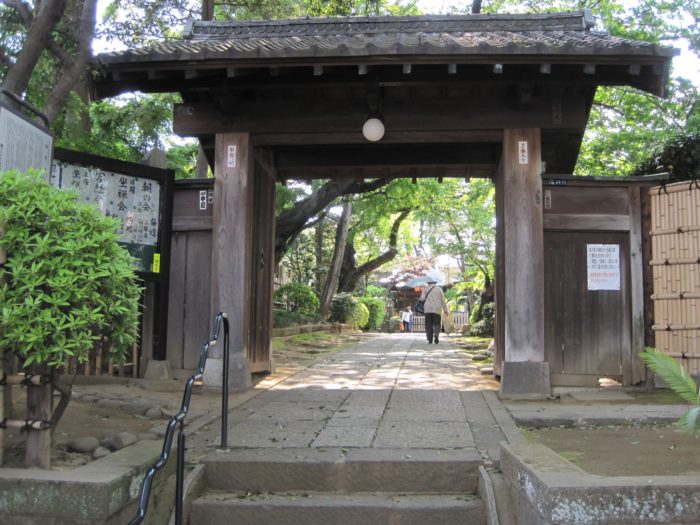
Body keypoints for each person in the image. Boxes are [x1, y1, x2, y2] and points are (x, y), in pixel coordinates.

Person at [419, 279, 449, 344]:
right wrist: (445, 310)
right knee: (437, 324)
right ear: (435, 283)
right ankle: (436, 336)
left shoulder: (425, 289)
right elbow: (443, 300)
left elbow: (422, 299)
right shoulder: (439, 289)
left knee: (428, 324)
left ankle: (430, 339)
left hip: (428, 309)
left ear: (428, 283)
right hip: (437, 309)